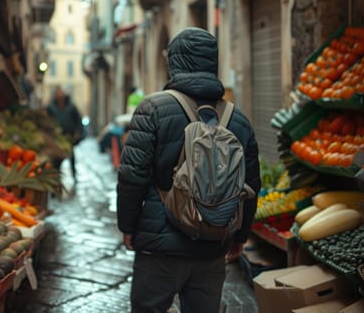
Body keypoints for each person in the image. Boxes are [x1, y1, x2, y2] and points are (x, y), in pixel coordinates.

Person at [116, 27, 261, 313]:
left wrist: (128, 226)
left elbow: (131, 175)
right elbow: (251, 184)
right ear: (212, 63)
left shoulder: (152, 108)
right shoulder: (238, 119)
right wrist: (241, 235)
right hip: (213, 244)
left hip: (159, 247)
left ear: (174, 62)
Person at [47, 86, 85, 182]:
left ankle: (74, 176)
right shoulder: (51, 108)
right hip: (57, 137)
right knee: (57, 160)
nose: (60, 98)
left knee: (71, 158)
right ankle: (56, 180)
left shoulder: (71, 107)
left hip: (69, 136)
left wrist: (78, 132)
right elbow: (47, 120)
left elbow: (78, 121)